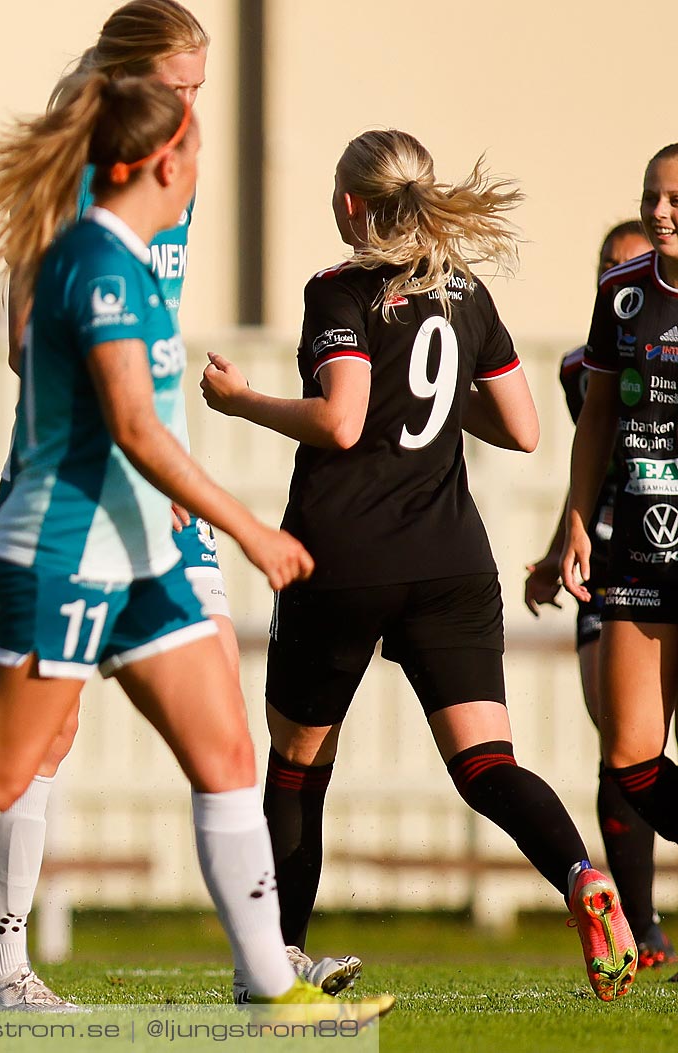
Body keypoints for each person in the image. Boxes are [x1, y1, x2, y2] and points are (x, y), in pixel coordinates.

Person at [0, 73, 394, 1026]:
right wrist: (248, 524)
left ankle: (274, 990)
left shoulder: (128, 252)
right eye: (197, 143)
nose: (203, 163)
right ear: (161, 161)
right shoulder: (97, 262)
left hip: (138, 545)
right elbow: (134, 425)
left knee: (225, 752)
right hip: (67, 549)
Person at [204, 129, 637, 1001]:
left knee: (296, 761)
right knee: (486, 763)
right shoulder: (464, 290)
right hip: (451, 559)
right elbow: (522, 426)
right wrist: (430, 405)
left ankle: (279, 959)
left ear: (355, 204)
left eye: (335, 190)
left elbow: (342, 422)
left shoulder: (339, 288)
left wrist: (243, 401)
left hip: (344, 555)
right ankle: (582, 876)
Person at [0, 0, 357, 1008]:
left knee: (227, 735)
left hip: (161, 492)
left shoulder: (174, 165)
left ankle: (263, 967)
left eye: (201, 89)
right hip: (74, 489)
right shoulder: (71, 175)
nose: (192, 108)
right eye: (177, 89)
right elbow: (23, 342)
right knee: (32, 742)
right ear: (124, 81)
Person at [525, 220, 671, 970]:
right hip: (618, 561)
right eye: (608, 267)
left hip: (664, 550)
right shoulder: (583, 362)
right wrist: (563, 544)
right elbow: (593, 451)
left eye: (630, 263)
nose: (620, 279)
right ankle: (644, 927)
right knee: (624, 749)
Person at [563, 141, 678, 991]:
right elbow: (597, 412)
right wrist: (574, 520)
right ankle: (642, 924)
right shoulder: (622, 292)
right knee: (632, 758)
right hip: (636, 543)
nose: (661, 212)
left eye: (675, 199)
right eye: (652, 197)